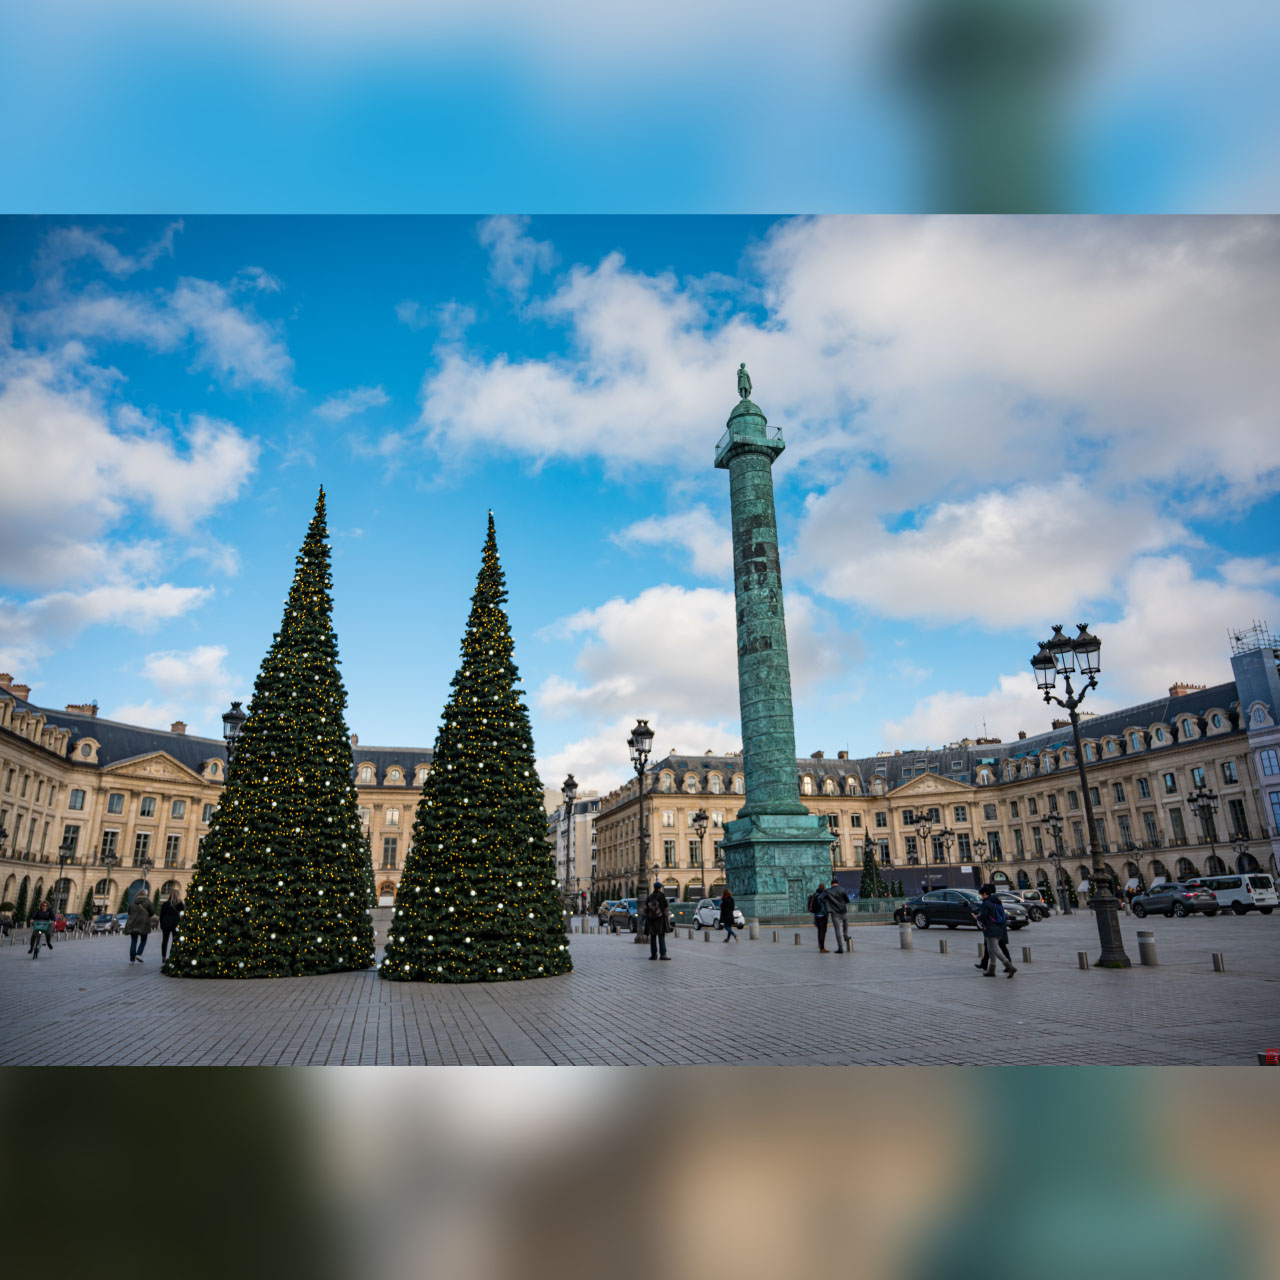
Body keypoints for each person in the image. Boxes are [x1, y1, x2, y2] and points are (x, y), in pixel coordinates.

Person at [976, 884, 1016, 977]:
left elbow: (983, 916)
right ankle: (991, 970)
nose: (981, 896)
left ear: (985, 893)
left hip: (990, 929)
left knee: (995, 950)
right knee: (990, 950)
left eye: (982, 895)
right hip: (999, 928)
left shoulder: (986, 903)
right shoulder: (996, 901)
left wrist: (977, 917)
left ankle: (1010, 967)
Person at [126, 890, 155, 964]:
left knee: (133, 941)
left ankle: (131, 960)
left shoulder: (133, 902)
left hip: (133, 924)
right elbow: (152, 912)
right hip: (144, 923)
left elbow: (129, 912)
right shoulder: (148, 902)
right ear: (145, 895)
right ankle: (138, 954)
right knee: (143, 940)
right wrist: (147, 916)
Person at [644, 881, 670, 960]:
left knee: (653, 937)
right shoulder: (662, 896)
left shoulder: (649, 897)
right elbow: (665, 906)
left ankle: (653, 955)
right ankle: (663, 954)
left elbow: (647, 908)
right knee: (661, 936)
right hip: (660, 919)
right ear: (659, 888)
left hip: (651, 919)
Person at [823, 878, 851, 953]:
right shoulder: (842, 890)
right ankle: (845, 935)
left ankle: (840, 948)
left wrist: (828, 901)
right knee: (845, 923)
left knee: (837, 930)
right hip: (843, 911)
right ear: (837, 883)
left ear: (831, 884)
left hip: (834, 912)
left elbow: (821, 898)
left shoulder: (827, 891)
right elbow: (847, 900)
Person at [159, 890, 184, 961]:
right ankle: (172, 956)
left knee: (165, 941)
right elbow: (182, 914)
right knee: (175, 941)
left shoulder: (165, 904)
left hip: (166, 924)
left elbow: (161, 915)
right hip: (175, 924)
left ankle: (163, 957)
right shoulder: (180, 904)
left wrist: (161, 923)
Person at [809, 881, 829, 952]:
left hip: (816, 915)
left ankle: (820, 945)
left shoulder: (815, 894)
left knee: (819, 931)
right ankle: (822, 948)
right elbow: (823, 906)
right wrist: (826, 913)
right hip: (822, 915)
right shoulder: (822, 895)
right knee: (823, 931)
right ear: (823, 888)